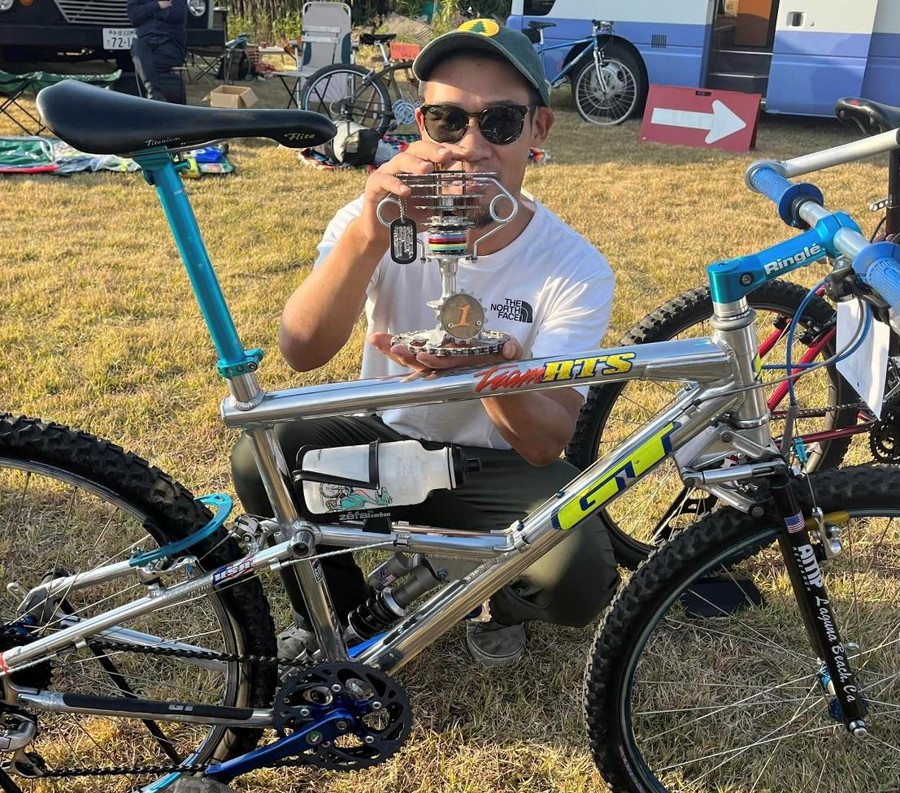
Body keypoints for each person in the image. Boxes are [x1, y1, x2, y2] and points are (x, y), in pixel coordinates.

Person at [231, 19, 620, 667]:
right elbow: (301, 348)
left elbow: (546, 441)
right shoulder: (377, 218)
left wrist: (492, 368)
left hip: (496, 467)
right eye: (447, 120)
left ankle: (490, 595)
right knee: (263, 455)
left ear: (539, 130)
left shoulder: (573, 266)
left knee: (577, 577)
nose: (470, 146)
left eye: (500, 123)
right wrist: (368, 233)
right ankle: (338, 614)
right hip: (387, 447)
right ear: (420, 127)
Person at [127, 0, 187, 103]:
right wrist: (158, 5)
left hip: (170, 42)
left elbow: (178, 14)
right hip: (145, 42)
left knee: (143, 63)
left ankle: (153, 92)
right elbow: (134, 16)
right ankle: (154, 93)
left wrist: (147, 13)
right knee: (137, 45)